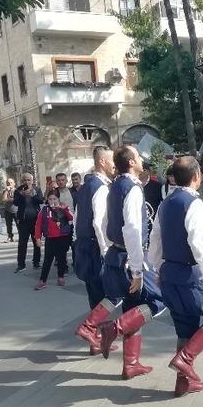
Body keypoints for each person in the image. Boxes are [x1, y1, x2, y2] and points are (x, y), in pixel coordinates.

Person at [147, 156, 203, 397]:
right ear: (197, 177)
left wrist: (155, 269)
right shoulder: (192, 203)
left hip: (169, 271)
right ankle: (185, 359)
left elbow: (156, 240)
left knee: (185, 328)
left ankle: (182, 383)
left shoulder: (166, 202)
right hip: (190, 273)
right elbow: (198, 243)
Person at [97, 146, 166, 380]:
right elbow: (133, 230)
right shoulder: (133, 188)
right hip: (131, 256)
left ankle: (131, 364)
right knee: (160, 299)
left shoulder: (114, 186)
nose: (141, 159)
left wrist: (110, 247)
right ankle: (113, 328)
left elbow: (106, 222)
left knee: (131, 305)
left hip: (117, 253)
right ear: (131, 162)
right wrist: (137, 269)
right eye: (138, 156)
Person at [73, 146, 116, 356]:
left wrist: (76, 240)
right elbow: (100, 223)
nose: (114, 165)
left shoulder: (84, 186)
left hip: (83, 244)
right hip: (95, 247)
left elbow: (77, 215)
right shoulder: (100, 187)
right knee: (106, 293)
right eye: (111, 161)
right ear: (102, 162)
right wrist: (106, 250)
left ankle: (96, 339)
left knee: (95, 294)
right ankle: (94, 334)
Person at [34, 192, 73, 290]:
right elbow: (38, 224)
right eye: (50, 199)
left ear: (58, 199)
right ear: (47, 200)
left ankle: (60, 276)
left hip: (62, 237)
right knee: (47, 260)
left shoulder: (64, 208)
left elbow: (71, 218)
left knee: (62, 258)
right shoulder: (44, 210)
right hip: (50, 238)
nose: (52, 201)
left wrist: (64, 209)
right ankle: (43, 280)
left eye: (54, 199)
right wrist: (38, 238)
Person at [13, 173, 44, 272]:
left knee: (36, 242)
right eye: (25, 180)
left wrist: (34, 195)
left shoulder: (37, 189)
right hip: (23, 220)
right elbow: (15, 203)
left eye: (29, 180)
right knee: (22, 243)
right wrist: (22, 195)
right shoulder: (18, 190)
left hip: (35, 220)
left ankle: (36, 262)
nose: (27, 182)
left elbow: (41, 201)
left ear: (32, 180)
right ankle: (21, 264)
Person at [1, 178, 17, 242]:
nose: (9, 184)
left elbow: (16, 200)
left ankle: (21, 236)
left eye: (11, 182)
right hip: (7, 210)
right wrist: (6, 191)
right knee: (8, 225)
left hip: (16, 210)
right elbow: (3, 199)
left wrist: (10, 199)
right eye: (8, 183)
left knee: (19, 224)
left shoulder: (17, 191)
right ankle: (10, 237)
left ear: (14, 183)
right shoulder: (5, 191)